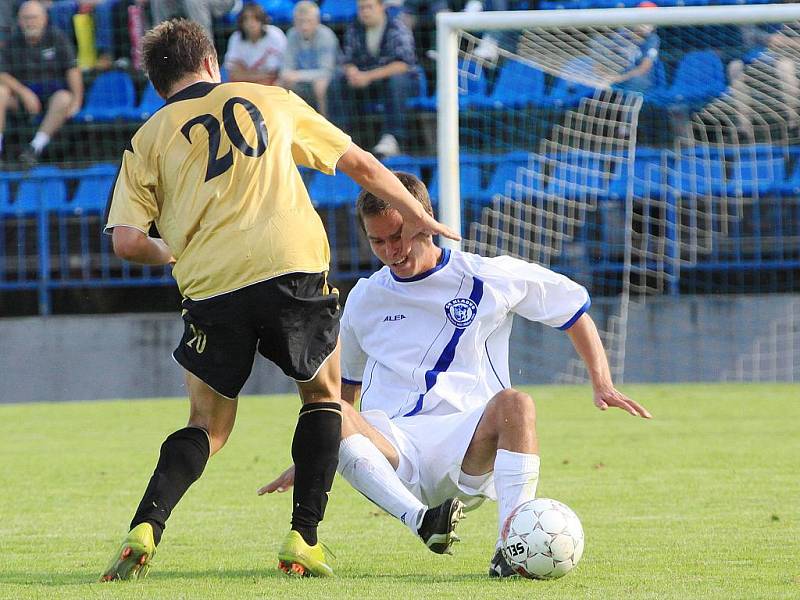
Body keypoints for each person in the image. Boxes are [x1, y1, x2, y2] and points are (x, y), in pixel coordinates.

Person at [100, 19, 458, 582]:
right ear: (214, 63)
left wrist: (177, 253)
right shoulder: (269, 98)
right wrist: (415, 213)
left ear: (156, 83)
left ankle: (146, 525)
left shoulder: (147, 138)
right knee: (322, 397)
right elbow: (357, 164)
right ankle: (303, 540)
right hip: (290, 266)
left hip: (211, 284)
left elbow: (124, 241)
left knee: (207, 426)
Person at [261, 172, 652, 577]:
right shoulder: (364, 298)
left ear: (424, 220)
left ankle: (509, 548)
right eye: (378, 241)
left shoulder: (486, 276)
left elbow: (572, 309)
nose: (391, 250)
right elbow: (347, 391)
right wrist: (316, 454)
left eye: (399, 236)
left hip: (469, 448)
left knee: (516, 404)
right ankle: (422, 522)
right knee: (328, 410)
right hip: (397, 451)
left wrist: (602, 381)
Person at [329, 0, 417, 157]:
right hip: (365, 83)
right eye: (361, 8)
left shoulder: (397, 27)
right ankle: (340, 138)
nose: (365, 12)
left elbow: (403, 65)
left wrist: (367, 76)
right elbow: (346, 60)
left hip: (396, 82)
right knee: (337, 82)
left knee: (396, 80)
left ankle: (392, 138)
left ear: (381, 7)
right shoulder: (354, 28)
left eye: (369, 7)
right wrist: (352, 71)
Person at [0, 0, 83, 166]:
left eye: (33, 17)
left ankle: (34, 148)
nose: (30, 22)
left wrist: (77, 101)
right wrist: (24, 93)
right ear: (19, 20)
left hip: (51, 98)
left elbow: (72, 70)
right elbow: (2, 73)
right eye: (25, 18)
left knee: (64, 98)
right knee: (0, 92)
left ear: (44, 18)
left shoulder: (57, 37)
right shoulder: (12, 42)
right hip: (22, 100)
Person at [280, 0, 339, 116]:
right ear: (294, 21)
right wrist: (290, 75)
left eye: (308, 21)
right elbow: (286, 68)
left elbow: (326, 71)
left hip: (332, 78)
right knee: (279, 85)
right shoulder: (292, 34)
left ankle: (326, 126)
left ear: (317, 21)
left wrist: (298, 76)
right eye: (300, 22)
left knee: (320, 86)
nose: (304, 26)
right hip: (303, 78)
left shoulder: (326, 36)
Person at [223, 3, 287, 86]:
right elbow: (233, 73)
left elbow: (275, 72)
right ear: (241, 22)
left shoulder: (275, 35)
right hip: (245, 85)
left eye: (255, 19)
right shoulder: (236, 37)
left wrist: (247, 74)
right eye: (246, 19)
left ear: (262, 20)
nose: (251, 23)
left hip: (272, 84)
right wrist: (258, 76)